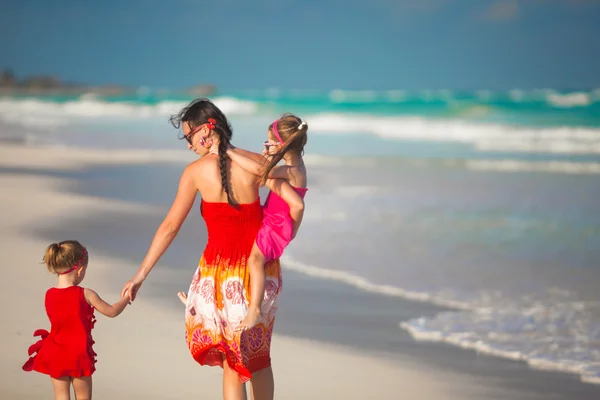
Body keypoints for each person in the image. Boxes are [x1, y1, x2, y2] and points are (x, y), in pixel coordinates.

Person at [120, 98, 282, 400]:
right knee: (259, 358)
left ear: (205, 131)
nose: (188, 145)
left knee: (232, 364)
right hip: (260, 271)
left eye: (188, 136)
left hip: (218, 277)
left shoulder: (195, 172)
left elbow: (170, 227)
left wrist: (141, 274)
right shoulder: (255, 165)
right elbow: (290, 190)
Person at [222, 114, 308, 331]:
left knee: (255, 260)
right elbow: (263, 170)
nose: (266, 146)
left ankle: (255, 311)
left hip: (276, 222)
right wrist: (231, 147)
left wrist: (229, 150)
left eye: (269, 143)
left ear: (284, 146)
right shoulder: (293, 164)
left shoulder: (293, 170)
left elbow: (296, 204)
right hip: (271, 216)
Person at [23, 240, 130, 400]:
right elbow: (112, 312)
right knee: (83, 397)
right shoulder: (86, 294)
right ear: (79, 270)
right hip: (77, 354)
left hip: (55, 351)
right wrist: (126, 298)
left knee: (60, 396)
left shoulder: (49, 294)